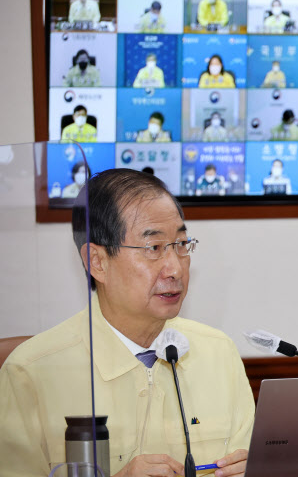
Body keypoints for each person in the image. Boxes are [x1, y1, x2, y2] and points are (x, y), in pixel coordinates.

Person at [0, 169, 255, 476]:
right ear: (97, 262)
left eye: (182, 244)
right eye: (154, 248)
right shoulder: (30, 373)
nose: (175, 268)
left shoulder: (218, 353)